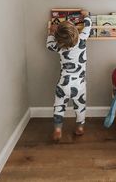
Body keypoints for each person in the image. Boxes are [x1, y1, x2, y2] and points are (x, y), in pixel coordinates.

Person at [46, 10, 92, 142]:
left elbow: (49, 45)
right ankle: (80, 127)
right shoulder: (82, 40)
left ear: (58, 39)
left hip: (63, 84)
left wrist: (51, 31)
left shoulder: (59, 46)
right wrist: (86, 15)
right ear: (77, 33)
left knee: (59, 106)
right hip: (79, 85)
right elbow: (88, 26)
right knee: (80, 106)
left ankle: (58, 129)